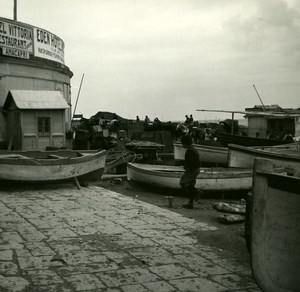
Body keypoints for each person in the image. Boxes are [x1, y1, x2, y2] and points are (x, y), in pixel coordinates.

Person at [180, 135, 201, 209]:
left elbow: (193, 162)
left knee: (183, 183)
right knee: (191, 185)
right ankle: (191, 203)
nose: (182, 145)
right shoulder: (193, 149)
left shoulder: (190, 151)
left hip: (192, 170)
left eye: (182, 143)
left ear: (185, 143)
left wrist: (187, 168)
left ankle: (197, 192)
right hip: (195, 169)